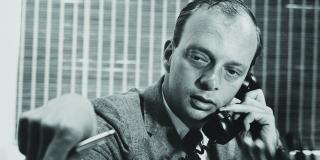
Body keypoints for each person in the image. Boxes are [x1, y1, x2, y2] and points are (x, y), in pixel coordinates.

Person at [18, 0, 284, 159]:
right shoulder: (113, 126)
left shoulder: (243, 140)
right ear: (169, 55)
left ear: (246, 83)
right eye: (200, 58)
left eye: (232, 72)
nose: (211, 81)